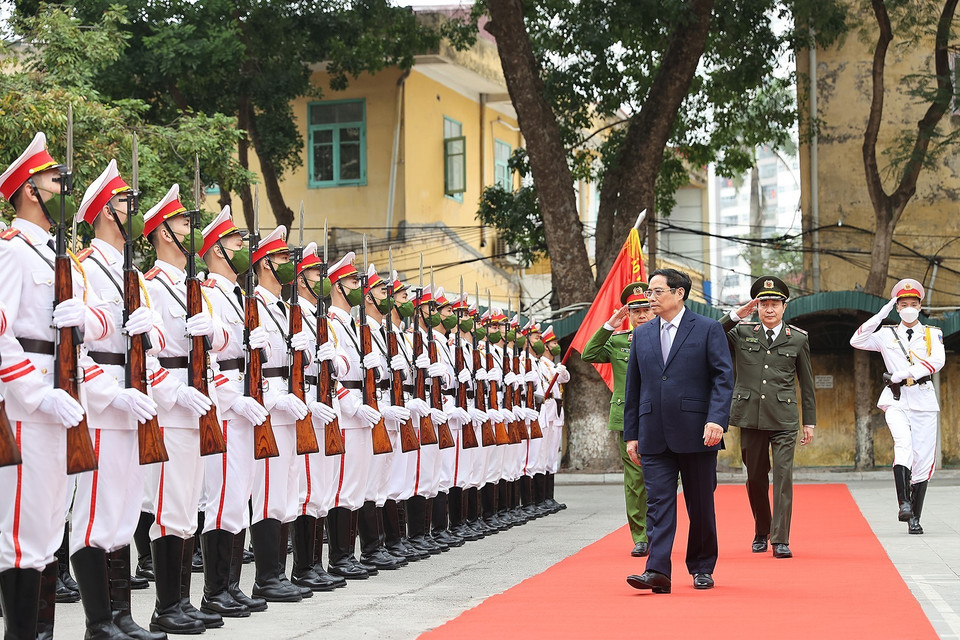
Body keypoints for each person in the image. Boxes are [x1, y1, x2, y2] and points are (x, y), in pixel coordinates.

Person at [0, 132, 114, 640]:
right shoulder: (13, 252)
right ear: (29, 190)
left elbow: (90, 334)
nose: (63, 189)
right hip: (28, 410)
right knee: (20, 538)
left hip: (65, 403)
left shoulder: (55, 255)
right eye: (55, 180)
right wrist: (33, 391)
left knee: (47, 533)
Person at [72, 160, 164, 640]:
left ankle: (123, 616)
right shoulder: (83, 269)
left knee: (126, 509)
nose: (134, 210)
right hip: (103, 401)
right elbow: (73, 346)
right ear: (107, 211)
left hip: (134, 399)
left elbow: (158, 342)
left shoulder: (137, 277)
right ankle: (98, 622)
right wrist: (110, 394)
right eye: (127, 203)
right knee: (96, 513)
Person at [142, 184, 226, 634]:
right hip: (172, 404)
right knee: (169, 506)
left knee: (190, 502)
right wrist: (172, 393)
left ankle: (185, 601)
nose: (190, 230)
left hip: (198, 403)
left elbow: (217, 348)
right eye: (182, 223)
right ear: (163, 234)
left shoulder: (195, 287)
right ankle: (165, 606)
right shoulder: (150, 285)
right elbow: (146, 354)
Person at [623, 268, 733, 594]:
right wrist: (632, 434)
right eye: (649, 292)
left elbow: (723, 378)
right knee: (658, 504)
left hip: (698, 432)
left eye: (657, 292)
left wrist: (716, 419)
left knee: (700, 505)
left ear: (679, 293)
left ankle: (701, 566)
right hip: (653, 432)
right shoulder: (642, 334)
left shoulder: (708, 329)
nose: (650, 298)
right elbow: (634, 388)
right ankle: (657, 570)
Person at [196, 206, 272, 612]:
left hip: (245, 406)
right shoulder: (207, 295)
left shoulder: (239, 298)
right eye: (235, 243)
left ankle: (231, 586)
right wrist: (232, 399)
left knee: (239, 496)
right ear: (216, 250)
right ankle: (213, 592)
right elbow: (206, 361)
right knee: (221, 499)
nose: (243, 248)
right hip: (226, 410)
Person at [722, 276, 816, 559]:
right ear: (757, 306)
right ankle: (761, 530)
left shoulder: (798, 338)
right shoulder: (742, 333)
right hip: (750, 416)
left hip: (784, 418)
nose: (769, 309)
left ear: (784, 307)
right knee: (755, 478)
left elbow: (807, 383)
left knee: (783, 477)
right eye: (764, 304)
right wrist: (735, 315)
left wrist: (808, 422)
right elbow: (711, 334)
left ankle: (780, 539)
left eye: (775, 304)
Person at [850, 279, 944, 535]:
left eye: (914, 303)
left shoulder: (932, 333)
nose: (909, 308)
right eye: (903, 304)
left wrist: (903, 373)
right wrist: (882, 313)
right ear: (897, 307)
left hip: (923, 398)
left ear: (920, 306)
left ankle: (915, 515)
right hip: (897, 399)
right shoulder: (885, 334)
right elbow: (857, 340)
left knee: (923, 459)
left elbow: (937, 361)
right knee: (903, 445)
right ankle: (903, 503)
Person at [581, 282, 654, 557]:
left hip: (661, 416)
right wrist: (612, 323)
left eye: (646, 309)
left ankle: (658, 529)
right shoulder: (619, 341)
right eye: (636, 311)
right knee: (635, 479)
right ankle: (641, 537)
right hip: (628, 418)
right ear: (630, 314)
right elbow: (589, 354)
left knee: (663, 477)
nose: (642, 315)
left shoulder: (665, 337)